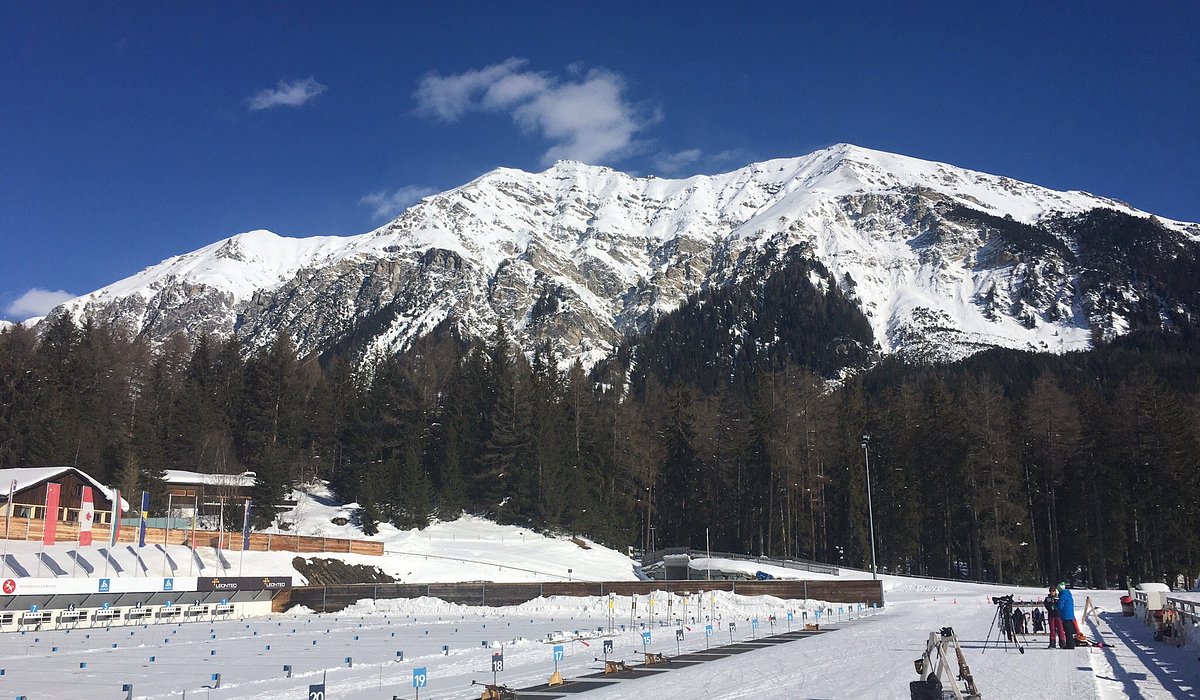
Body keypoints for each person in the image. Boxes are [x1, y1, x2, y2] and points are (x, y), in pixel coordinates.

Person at [1057, 582, 1077, 649]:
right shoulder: (1068, 594)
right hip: (1070, 614)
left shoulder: (1062, 595)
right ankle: (1071, 643)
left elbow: (1060, 606)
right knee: (1069, 631)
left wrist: (1055, 606)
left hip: (1065, 615)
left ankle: (1070, 645)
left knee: (1067, 631)